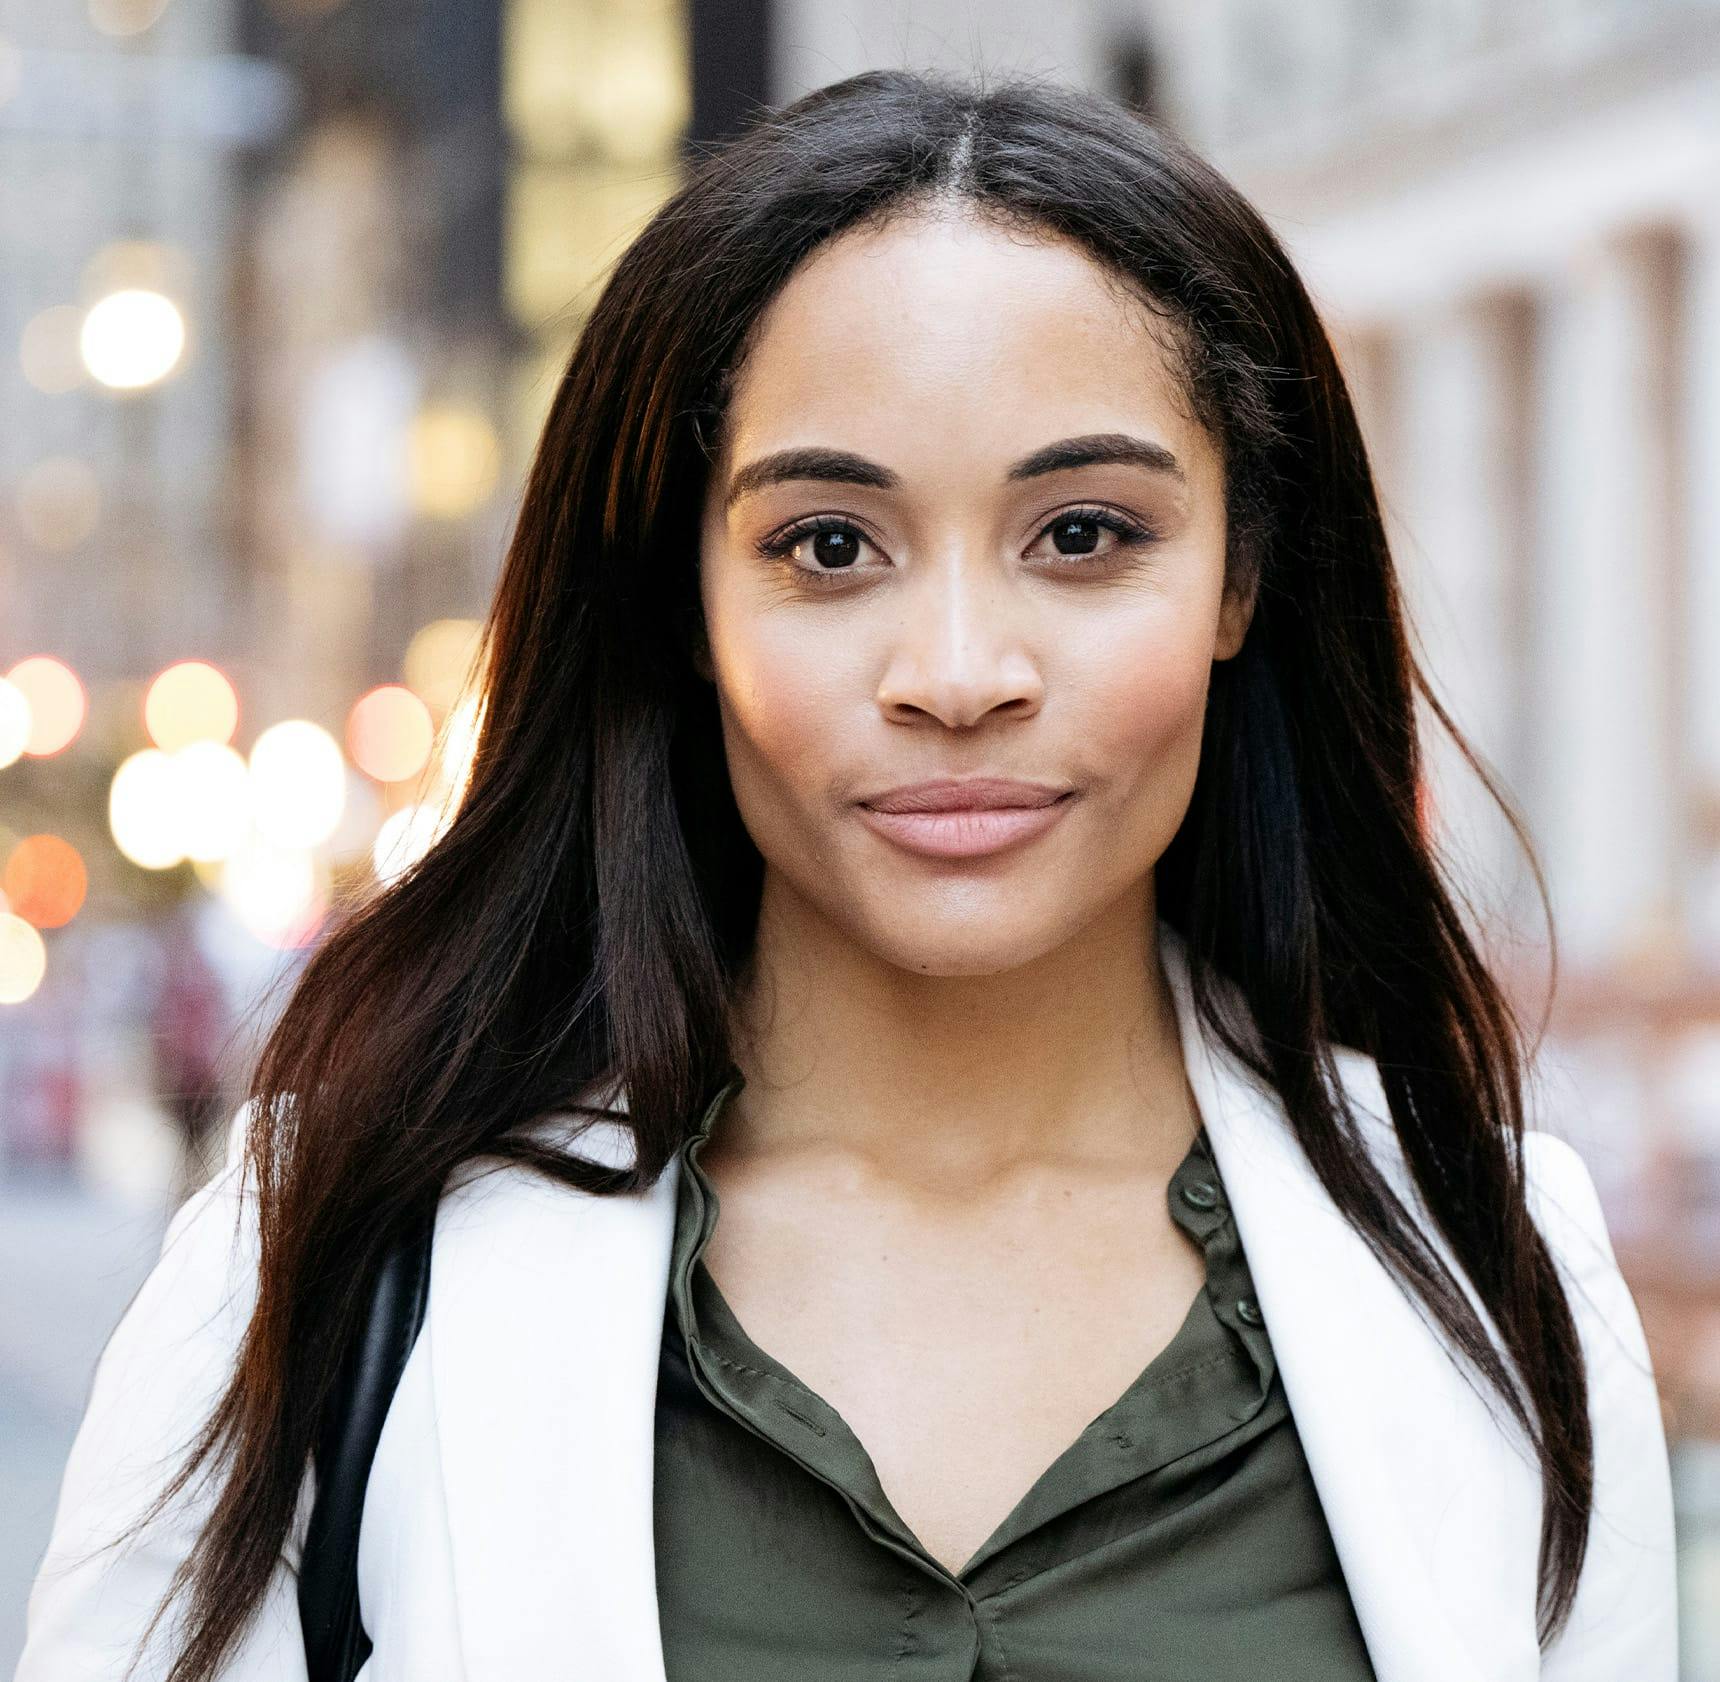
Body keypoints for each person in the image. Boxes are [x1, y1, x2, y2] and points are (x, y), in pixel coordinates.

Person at [17, 68, 1676, 1682]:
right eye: (829, 545)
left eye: (1085, 534)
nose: (957, 671)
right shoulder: (332, 1248)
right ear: (688, 605)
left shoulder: (1496, 1261)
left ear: (1243, 576)